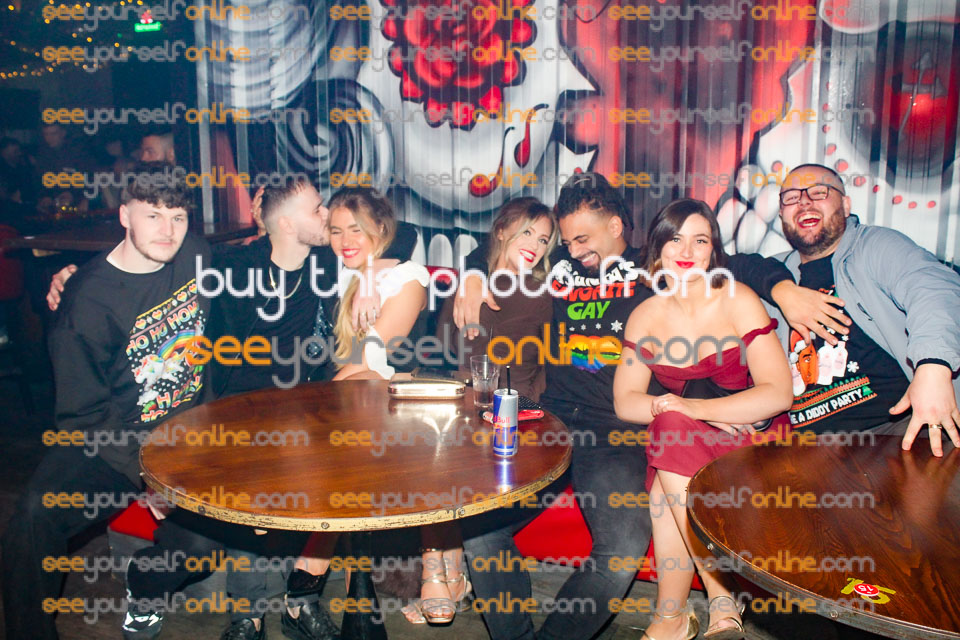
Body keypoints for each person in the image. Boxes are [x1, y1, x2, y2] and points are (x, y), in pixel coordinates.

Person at [453, 172, 848, 640]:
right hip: (550, 420)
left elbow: (739, 264)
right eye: (567, 240)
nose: (573, 250)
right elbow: (500, 243)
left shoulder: (655, 270)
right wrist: (473, 275)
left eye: (583, 239)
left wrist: (783, 289)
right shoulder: (559, 266)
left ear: (616, 227)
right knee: (481, 527)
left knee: (621, 548)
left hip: (614, 433)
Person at [1, 165, 223, 640]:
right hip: (113, 438)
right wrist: (148, 477)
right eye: (152, 216)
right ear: (124, 216)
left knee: (205, 547)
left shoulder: (196, 255)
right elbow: (82, 415)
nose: (168, 231)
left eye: (178, 217)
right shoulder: (86, 303)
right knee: (33, 519)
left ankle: (143, 577)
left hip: (186, 435)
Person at [613, 198, 793, 640]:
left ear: (713, 251)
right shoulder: (645, 316)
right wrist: (680, 410)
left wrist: (700, 410)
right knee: (668, 428)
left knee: (665, 470)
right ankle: (715, 601)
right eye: (675, 239)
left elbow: (779, 392)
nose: (686, 251)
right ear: (658, 248)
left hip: (754, 440)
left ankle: (677, 615)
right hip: (687, 441)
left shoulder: (738, 299)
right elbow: (625, 402)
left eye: (700, 240)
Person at [400, 198, 559, 627]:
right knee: (430, 447)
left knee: (452, 458)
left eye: (543, 239)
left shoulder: (543, 294)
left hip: (515, 413)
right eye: (527, 232)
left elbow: (544, 371)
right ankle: (446, 574)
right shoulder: (468, 283)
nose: (536, 245)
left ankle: (440, 574)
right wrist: (471, 276)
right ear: (502, 230)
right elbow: (442, 352)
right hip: (461, 404)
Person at [771, 163, 960, 455]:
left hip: (896, 431)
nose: (805, 202)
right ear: (782, 215)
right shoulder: (774, 273)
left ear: (846, 205)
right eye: (792, 197)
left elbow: (934, 288)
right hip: (809, 448)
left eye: (819, 192)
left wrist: (933, 366)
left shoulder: (874, 246)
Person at [327, 187, 429, 380]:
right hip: (345, 380)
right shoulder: (341, 271)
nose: (345, 242)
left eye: (356, 230)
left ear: (381, 227)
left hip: (390, 385)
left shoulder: (405, 279)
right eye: (336, 232)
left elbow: (368, 359)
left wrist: (319, 396)